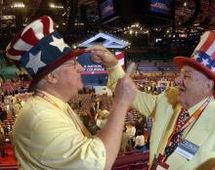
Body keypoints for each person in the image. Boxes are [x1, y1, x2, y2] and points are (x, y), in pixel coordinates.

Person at [86, 31, 215, 170]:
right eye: (180, 74)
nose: (177, 80)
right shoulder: (169, 97)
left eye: (187, 76)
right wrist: (113, 65)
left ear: (208, 85)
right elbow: (133, 96)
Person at [5, 15, 137, 169]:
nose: (80, 68)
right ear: (52, 76)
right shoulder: (42, 117)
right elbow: (99, 161)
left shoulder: (49, 107)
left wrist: (113, 66)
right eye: (73, 64)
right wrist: (121, 103)